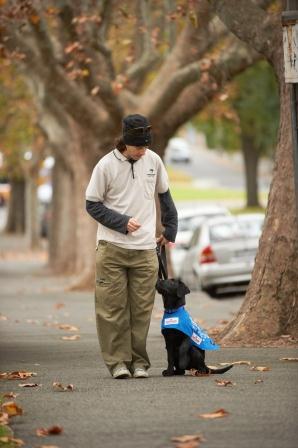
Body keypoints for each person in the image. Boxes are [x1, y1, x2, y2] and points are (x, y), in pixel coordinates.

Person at [85, 114, 178, 379]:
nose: (143, 151)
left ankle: (139, 363)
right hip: (111, 247)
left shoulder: (153, 161)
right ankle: (118, 364)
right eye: (138, 147)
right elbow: (92, 204)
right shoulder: (105, 166)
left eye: (146, 146)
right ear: (125, 142)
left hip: (145, 250)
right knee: (112, 310)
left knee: (141, 311)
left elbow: (165, 196)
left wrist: (170, 228)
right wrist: (122, 222)